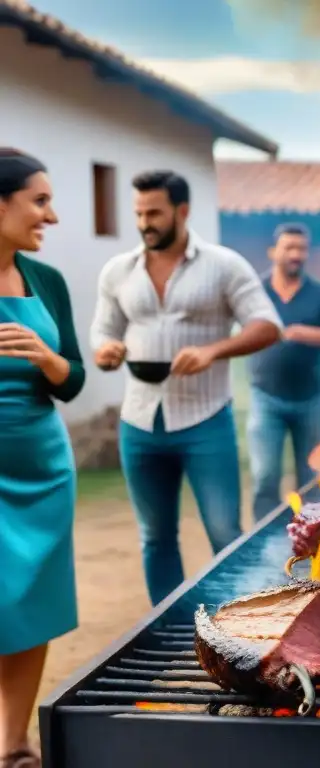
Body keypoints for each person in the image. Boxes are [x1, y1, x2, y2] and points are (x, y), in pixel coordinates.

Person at [90, 171, 282, 606]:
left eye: (154, 212)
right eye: (138, 213)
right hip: (138, 422)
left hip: (205, 420)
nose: (144, 222)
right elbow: (102, 331)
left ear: (182, 210)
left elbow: (269, 325)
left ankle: (241, 626)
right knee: (155, 537)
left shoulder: (224, 264)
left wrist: (214, 350)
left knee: (224, 533)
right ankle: (169, 624)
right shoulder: (117, 270)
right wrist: (106, 350)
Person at [0, 149, 85, 768]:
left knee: (31, 607)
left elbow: (73, 379)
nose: (51, 216)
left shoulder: (46, 282)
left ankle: (15, 744)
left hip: (42, 472)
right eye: (39, 200)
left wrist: (45, 357)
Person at [247, 223, 320, 520]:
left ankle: (312, 539)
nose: (296, 254)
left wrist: (302, 333)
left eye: (301, 248)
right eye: (289, 247)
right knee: (265, 477)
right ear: (273, 252)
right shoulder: (255, 292)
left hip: (310, 399)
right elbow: (244, 332)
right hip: (266, 398)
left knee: (313, 479)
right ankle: (262, 544)